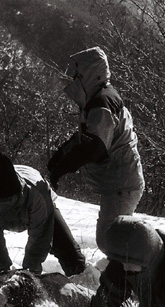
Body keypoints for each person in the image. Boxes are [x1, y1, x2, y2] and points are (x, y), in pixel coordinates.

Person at [48, 46, 145, 255]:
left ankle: (141, 267)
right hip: (120, 182)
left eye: (79, 72)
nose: (74, 76)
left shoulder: (102, 102)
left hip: (122, 184)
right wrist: (61, 155)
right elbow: (86, 136)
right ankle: (133, 268)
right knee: (113, 240)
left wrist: (62, 167)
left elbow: (96, 147)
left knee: (110, 241)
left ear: (91, 72)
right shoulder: (99, 98)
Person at [0, 152, 86, 278]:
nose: (4, 208)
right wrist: (2, 270)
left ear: (19, 193)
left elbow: (41, 236)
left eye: (8, 201)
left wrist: (30, 271)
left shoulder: (37, 195)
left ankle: (82, 280)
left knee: (69, 250)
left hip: (39, 210)